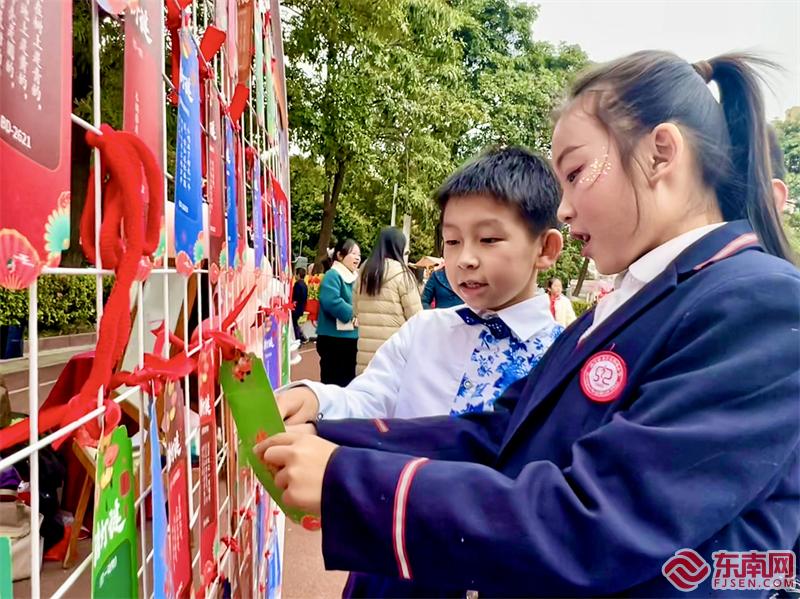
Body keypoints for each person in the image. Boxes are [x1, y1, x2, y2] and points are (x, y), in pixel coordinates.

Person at [257, 51, 800, 598]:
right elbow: (498, 435)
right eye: (452, 241)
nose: (564, 207)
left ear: (660, 153)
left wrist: (347, 481)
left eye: (577, 173)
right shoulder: (634, 306)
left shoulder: (758, 303)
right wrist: (327, 436)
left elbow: (595, 521)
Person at [276, 146, 564, 421]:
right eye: (452, 241)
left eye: (488, 239)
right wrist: (316, 401)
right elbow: (367, 400)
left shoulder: (564, 362)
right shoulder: (423, 331)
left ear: (545, 249)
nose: (465, 259)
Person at [353, 227, 422, 374]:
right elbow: (416, 318)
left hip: (365, 357)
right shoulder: (402, 274)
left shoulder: (364, 272)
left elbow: (356, 309)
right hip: (393, 356)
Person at [316, 238, 360, 386]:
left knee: (348, 381)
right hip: (334, 339)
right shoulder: (333, 275)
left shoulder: (355, 276)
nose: (357, 258)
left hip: (350, 337)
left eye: (359, 255)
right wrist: (353, 313)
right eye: (353, 253)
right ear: (340, 255)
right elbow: (331, 301)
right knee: (334, 382)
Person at [291, 267, 309, 343]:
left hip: (296, 307)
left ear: (298, 275)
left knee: (295, 323)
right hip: (301, 306)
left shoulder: (297, 284)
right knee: (296, 323)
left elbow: (296, 297)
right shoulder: (304, 284)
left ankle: (299, 338)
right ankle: (301, 337)